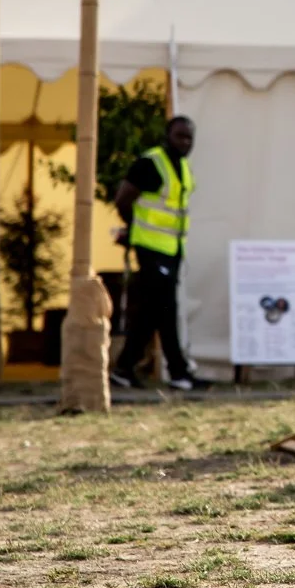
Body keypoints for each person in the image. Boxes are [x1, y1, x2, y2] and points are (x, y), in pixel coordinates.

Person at [110, 116, 210, 390]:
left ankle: (125, 368)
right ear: (168, 136)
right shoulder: (151, 164)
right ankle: (177, 372)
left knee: (153, 312)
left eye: (189, 138)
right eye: (180, 136)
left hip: (172, 248)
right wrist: (133, 229)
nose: (185, 142)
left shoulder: (183, 168)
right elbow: (123, 199)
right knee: (165, 310)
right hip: (151, 247)